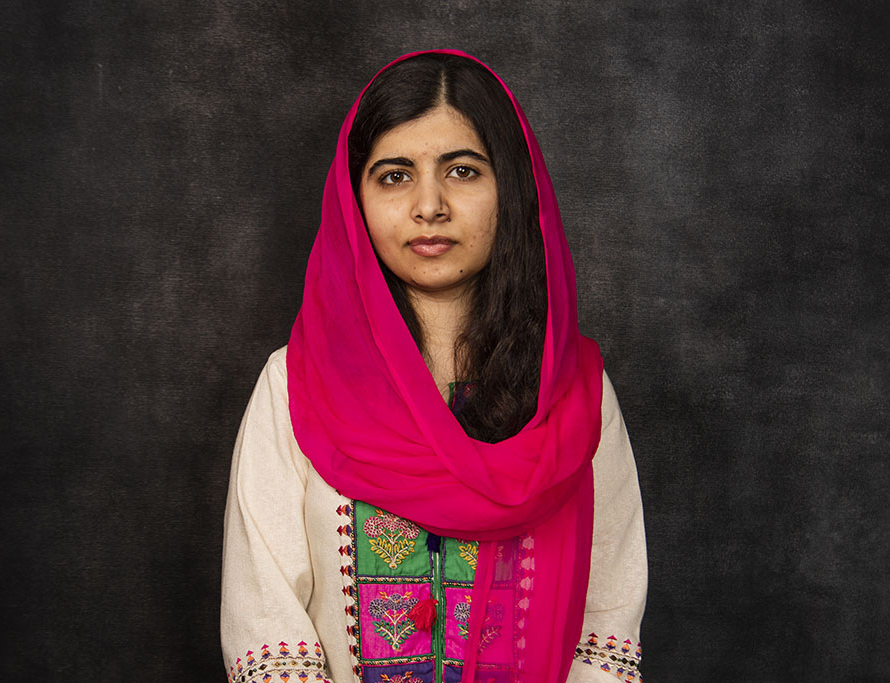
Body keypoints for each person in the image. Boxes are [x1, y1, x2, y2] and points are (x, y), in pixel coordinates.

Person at [220, 50, 647, 683]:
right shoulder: (295, 388)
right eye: (394, 175)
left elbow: (607, 627)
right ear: (353, 197)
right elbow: (268, 628)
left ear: (513, 185)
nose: (429, 206)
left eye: (463, 171)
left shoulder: (571, 394)